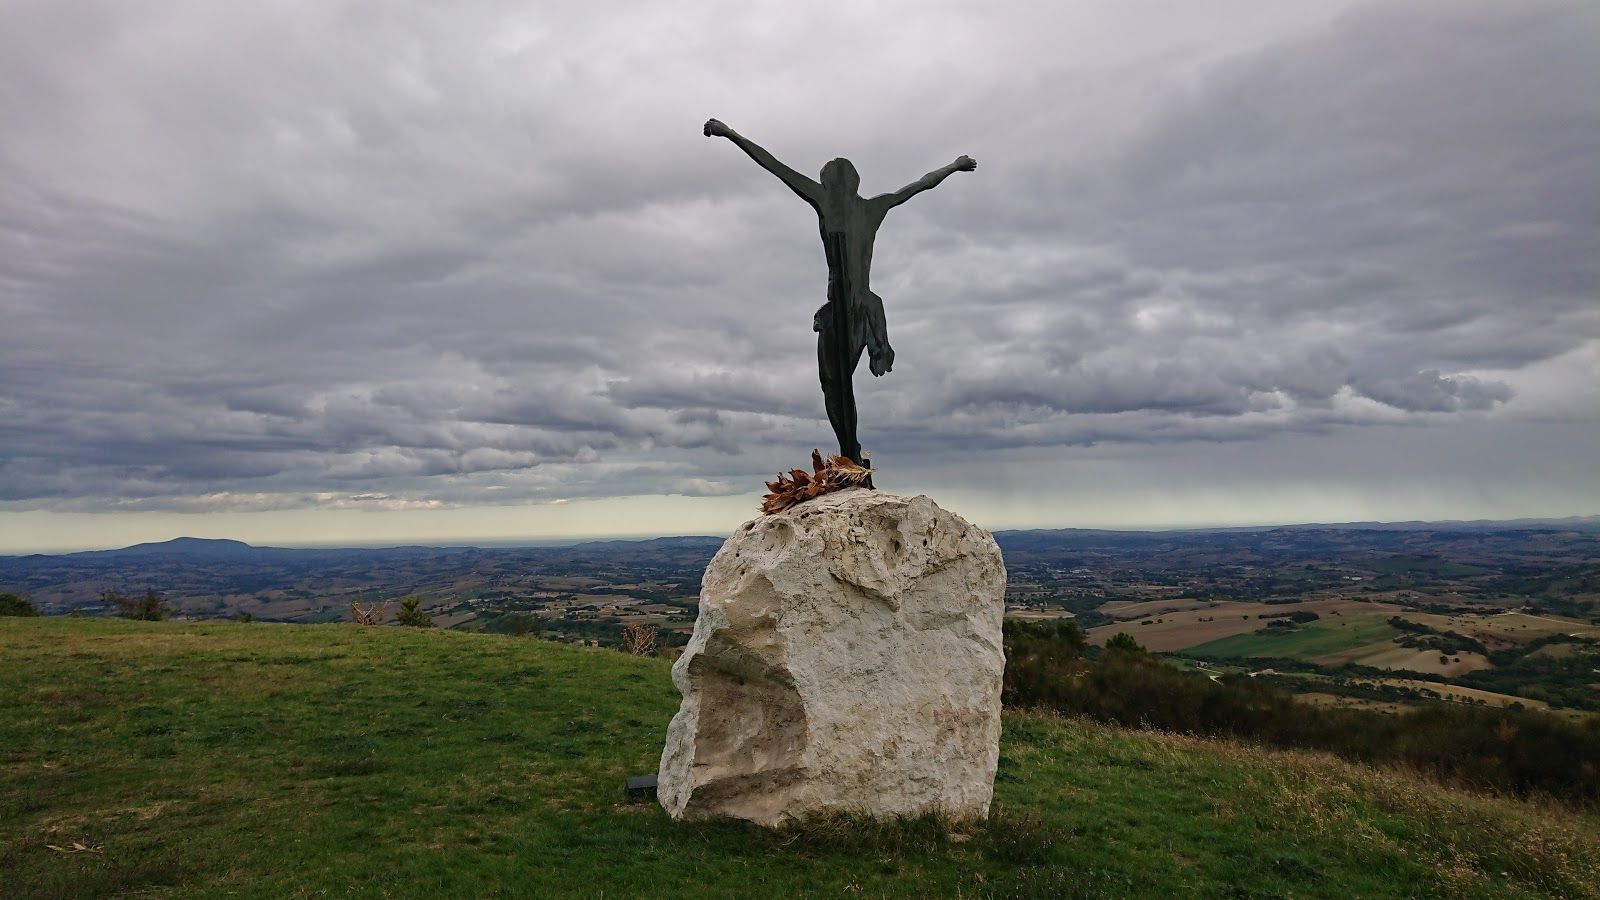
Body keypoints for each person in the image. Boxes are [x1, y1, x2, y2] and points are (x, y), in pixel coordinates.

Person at [703, 118, 976, 466]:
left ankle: (851, 450)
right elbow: (920, 185)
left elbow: (773, 164)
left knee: (834, 385)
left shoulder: (827, 199)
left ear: (828, 183)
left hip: (847, 308)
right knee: (837, 385)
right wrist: (953, 166)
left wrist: (730, 134)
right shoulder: (873, 206)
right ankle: (852, 451)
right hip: (862, 306)